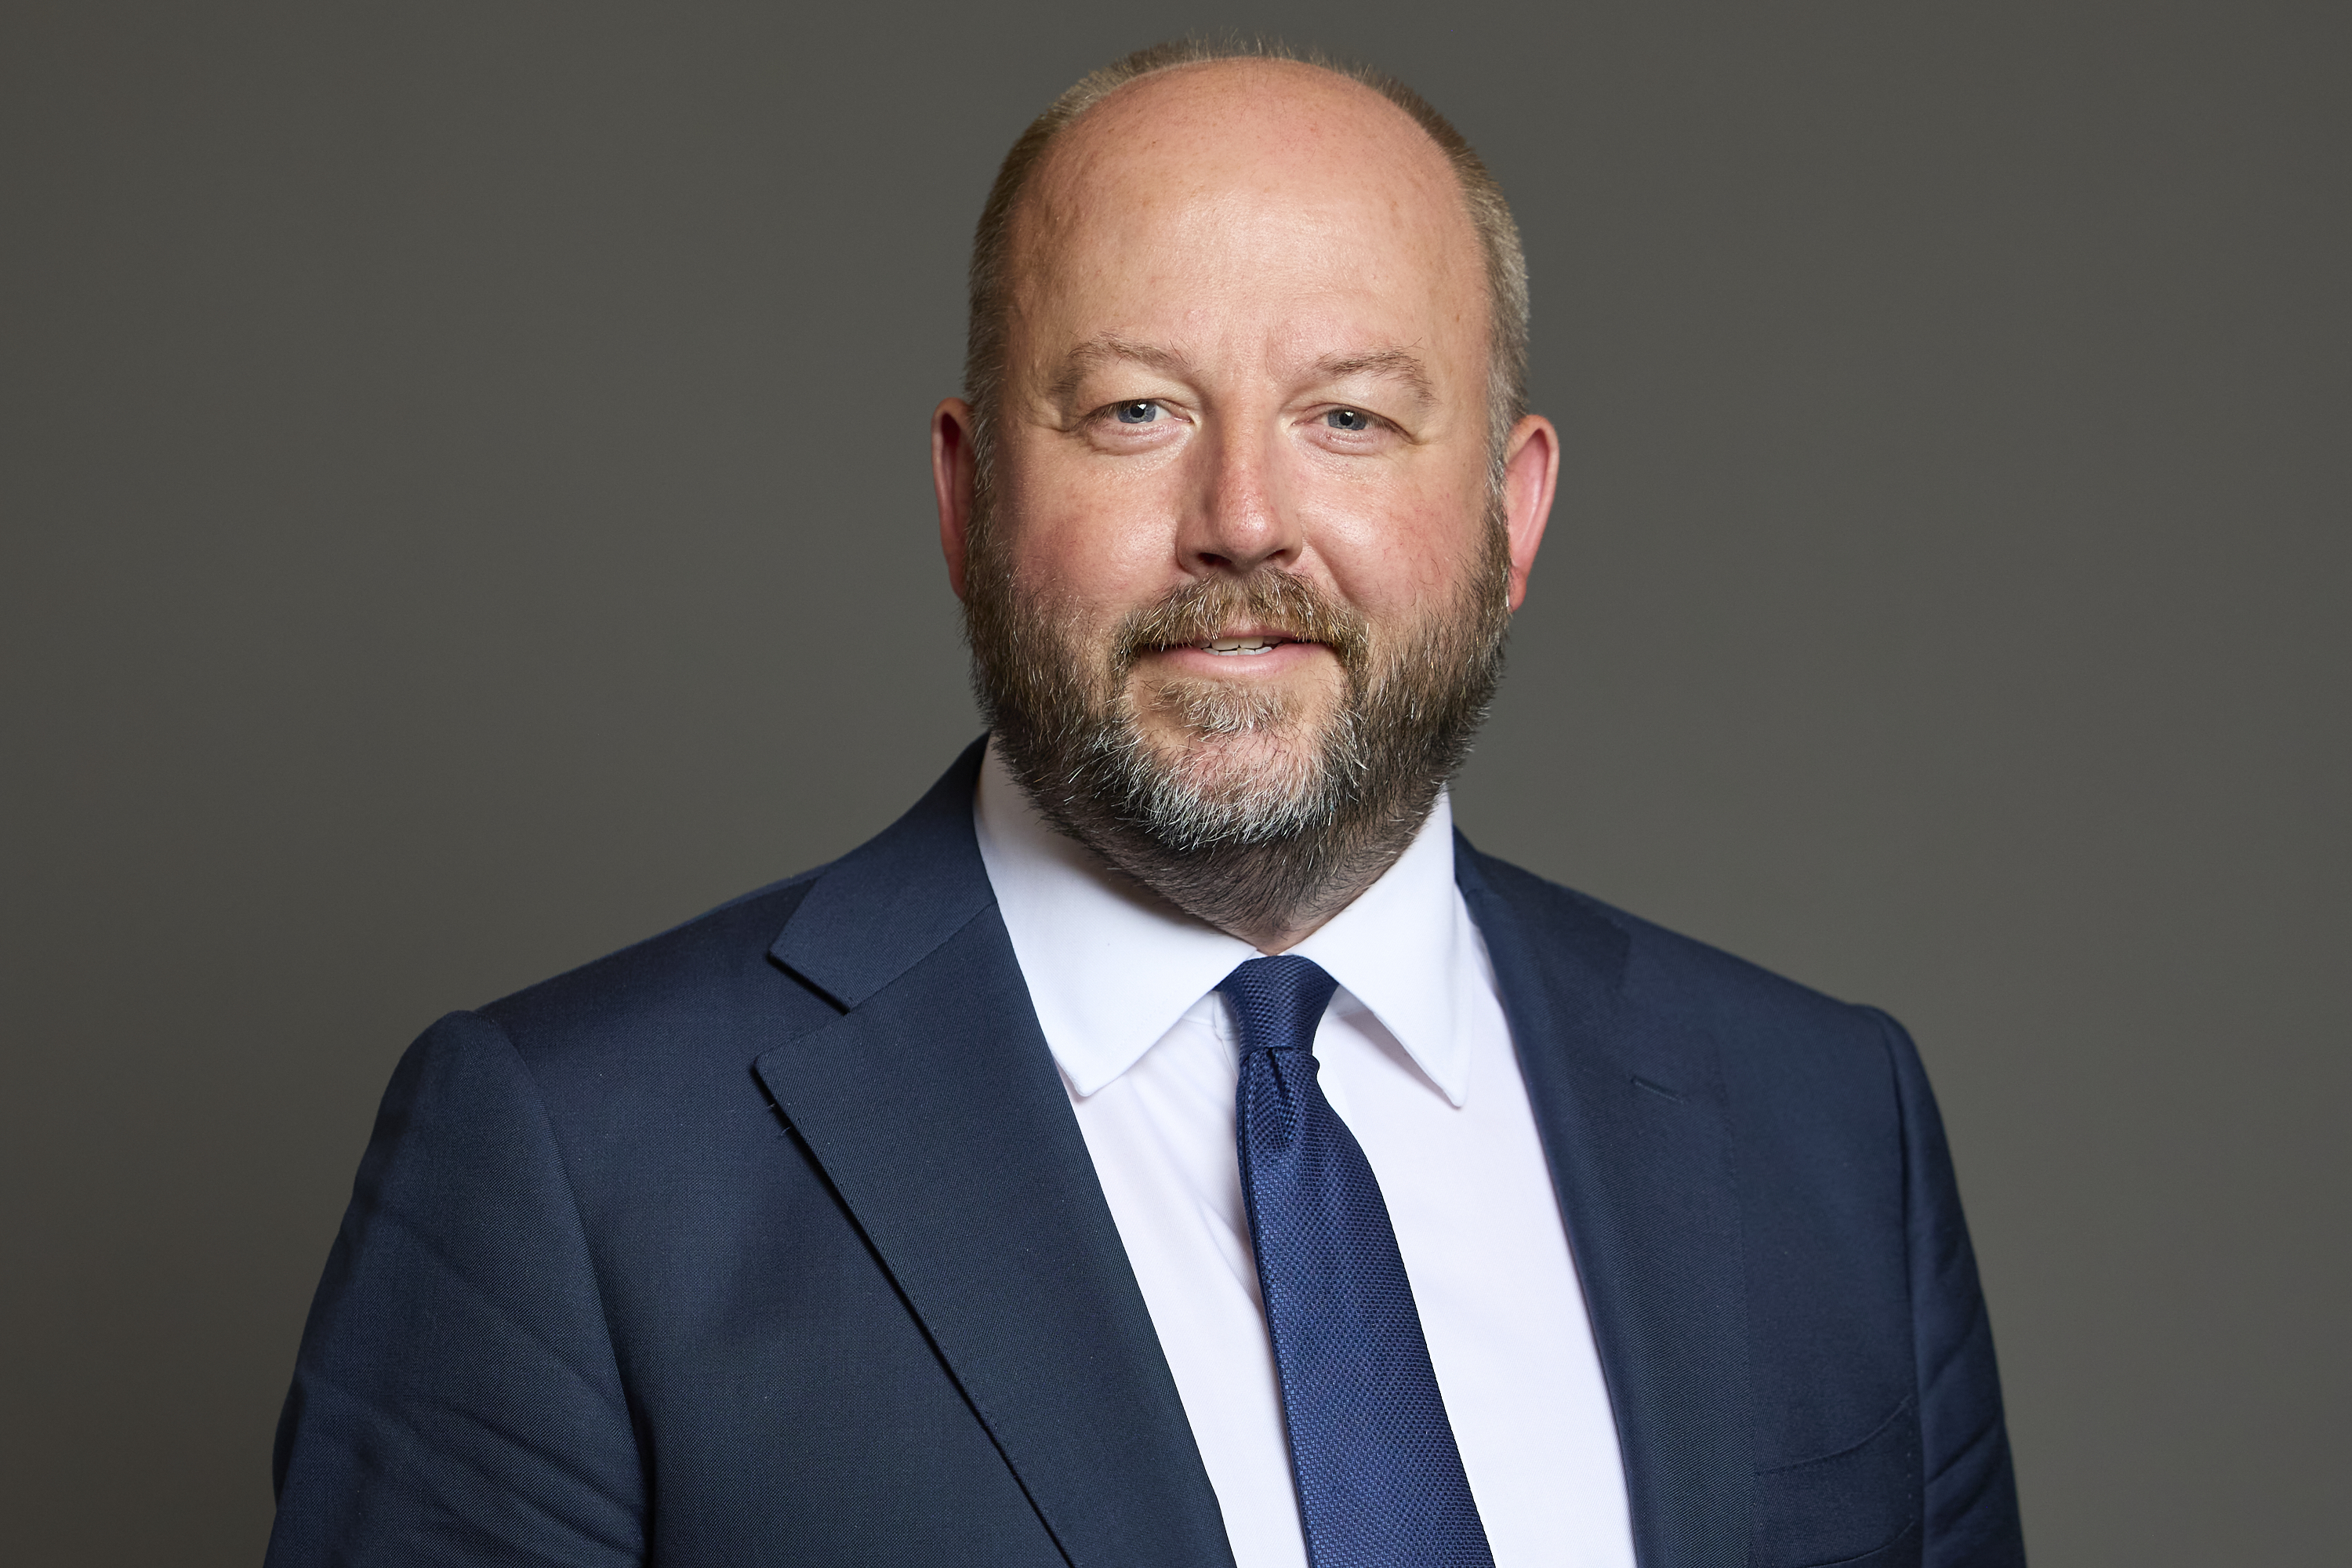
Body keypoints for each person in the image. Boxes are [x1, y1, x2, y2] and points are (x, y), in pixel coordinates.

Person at [267, 39, 2024, 1568]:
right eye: (1133, 409)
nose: (1244, 517)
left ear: (1512, 515)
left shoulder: (1822, 1127)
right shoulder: (577, 1166)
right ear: (967, 500)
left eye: (1347, 415)